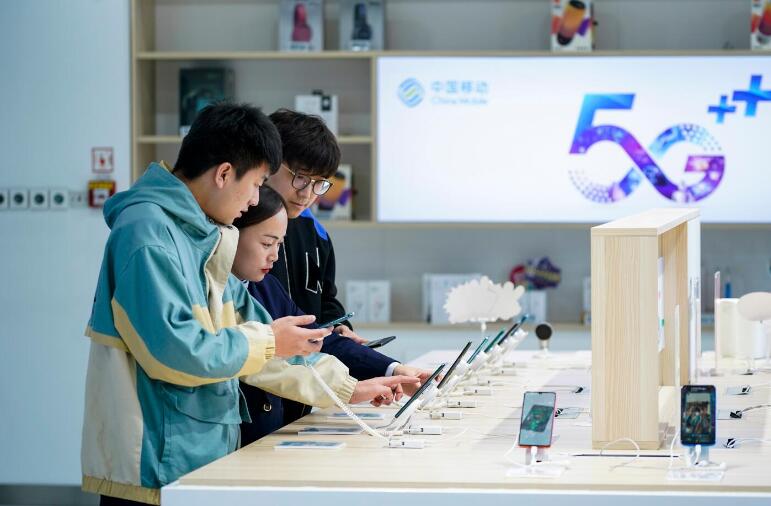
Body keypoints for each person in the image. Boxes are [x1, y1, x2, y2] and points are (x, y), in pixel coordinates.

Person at [81, 103, 331, 506]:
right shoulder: (147, 232)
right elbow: (176, 351)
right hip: (155, 470)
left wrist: (351, 387)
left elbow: (257, 333)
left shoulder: (204, 235)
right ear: (224, 173)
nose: (255, 200)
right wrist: (270, 341)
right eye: (256, 184)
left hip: (201, 457)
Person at [265, 109, 434, 422]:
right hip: (259, 396)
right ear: (268, 163)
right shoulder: (240, 233)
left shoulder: (314, 232)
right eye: (300, 177)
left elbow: (325, 301)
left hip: (306, 392)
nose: (306, 194)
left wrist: (341, 330)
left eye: (319, 183)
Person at [232, 185, 423, 444]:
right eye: (267, 243)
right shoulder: (217, 289)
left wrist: (392, 371)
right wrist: (349, 389)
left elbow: (317, 340)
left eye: (279, 244)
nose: (274, 256)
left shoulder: (266, 285)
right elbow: (265, 366)